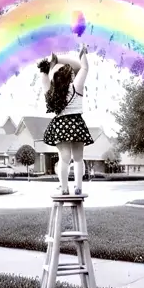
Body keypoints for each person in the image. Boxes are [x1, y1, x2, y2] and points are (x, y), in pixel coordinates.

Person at [37, 44, 94, 195]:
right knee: (78, 158)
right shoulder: (77, 86)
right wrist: (82, 54)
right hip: (76, 123)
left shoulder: (52, 93)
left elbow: (43, 75)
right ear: (71, 77)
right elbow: (84, 68)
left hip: (61, 124)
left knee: (64, 158)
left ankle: (63, 188)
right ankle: (78, 187)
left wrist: (50, 62)